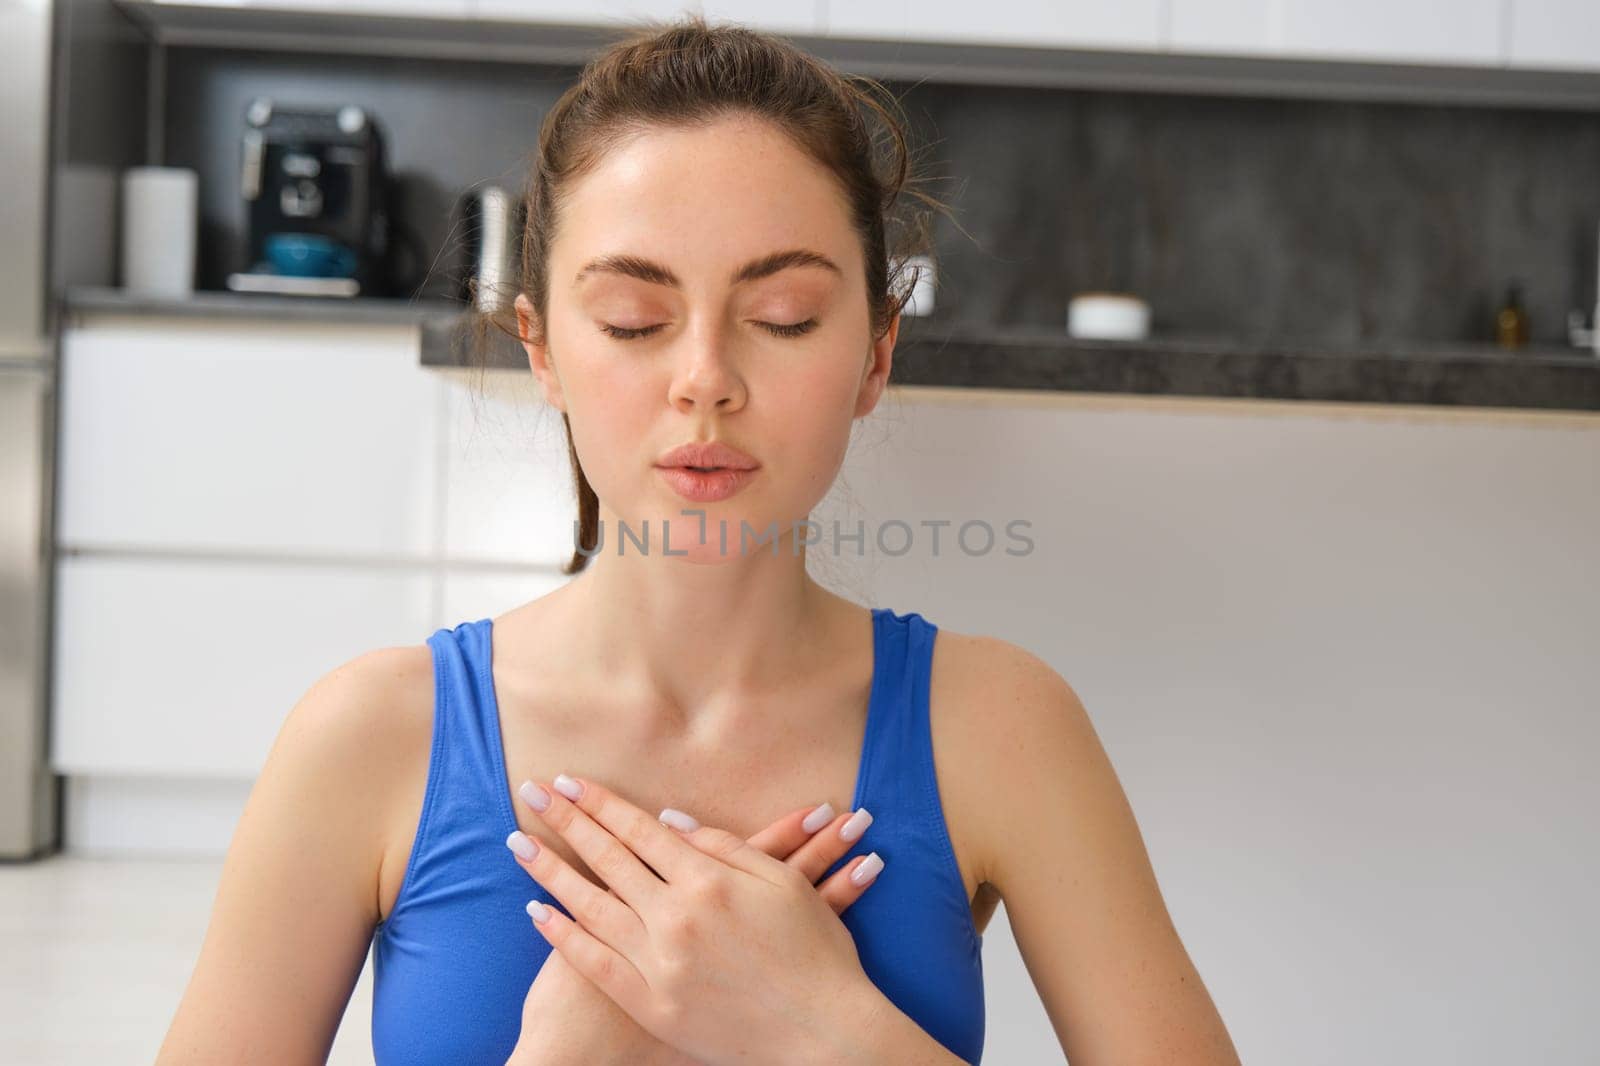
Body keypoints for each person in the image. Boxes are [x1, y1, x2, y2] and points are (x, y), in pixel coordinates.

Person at [156, 15, 1241, 1066]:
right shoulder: (368, 739)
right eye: (633, 319)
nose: (706, 379)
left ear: (874, 353)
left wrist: (823, 1022)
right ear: (541, 347)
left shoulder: (1002, 727)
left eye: (782, 318)